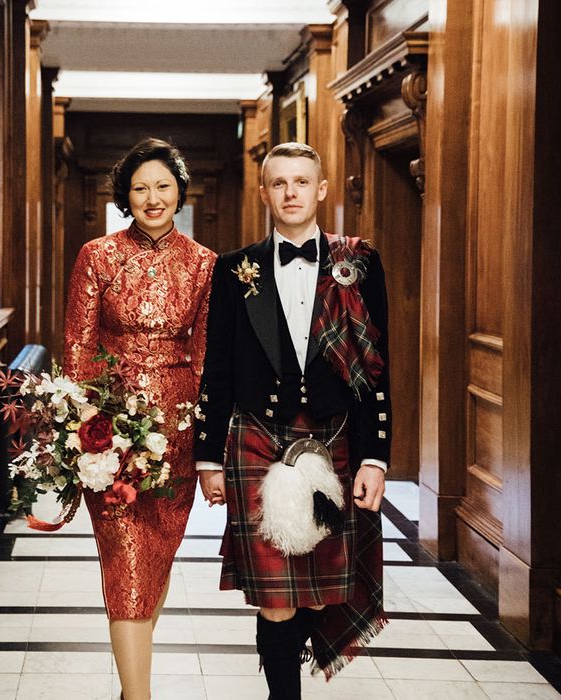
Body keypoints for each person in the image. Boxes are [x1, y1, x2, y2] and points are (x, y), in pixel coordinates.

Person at [196, 142, 390, 698]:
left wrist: (375, 455)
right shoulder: (236, 269)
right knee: (275, 596)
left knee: (320, 593)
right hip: (257, 440)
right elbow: (218, 365)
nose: (290, 193)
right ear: (264, 193)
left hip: (336, 442)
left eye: (301, 182)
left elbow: (378, 367)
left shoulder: (359, 265)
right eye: (278, 183)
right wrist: (208, 457)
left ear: (321, 189)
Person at [63, 137, 216, 700]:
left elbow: (205, 359)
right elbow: (77, 348)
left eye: (163, 186)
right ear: (125, 196)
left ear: (179, 190)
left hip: (177, 432)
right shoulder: (96, 256)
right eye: (140, 188)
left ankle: (131, 685)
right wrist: (85, 432)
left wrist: (207, 447)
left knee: (157, 552)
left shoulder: (205, 264)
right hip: (109, 430)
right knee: (125, 556)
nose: (152, 198)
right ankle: (140, 696)